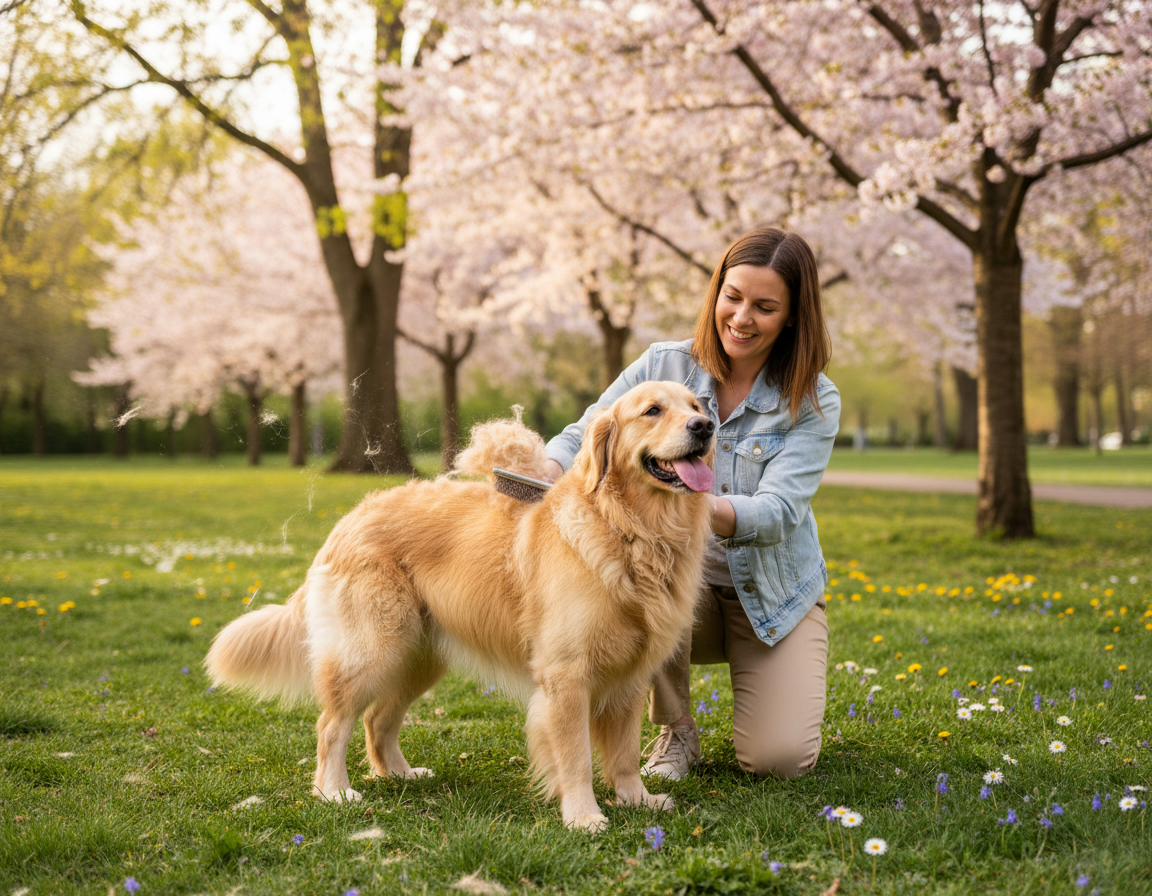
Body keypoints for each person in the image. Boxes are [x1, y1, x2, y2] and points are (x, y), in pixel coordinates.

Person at [541, 226, 840, 781]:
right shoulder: (666, 363)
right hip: (672, 580)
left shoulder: (814, 398)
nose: (742, 318)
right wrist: (543, 474)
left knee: (778, 761)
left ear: (794, 315)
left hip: (769, 596)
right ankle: (675, 729)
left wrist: (695, 505)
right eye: (733, 297)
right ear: (716, 294)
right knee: (638, 570)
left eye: (765, 306)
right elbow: (585, 432)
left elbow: (778, 512)